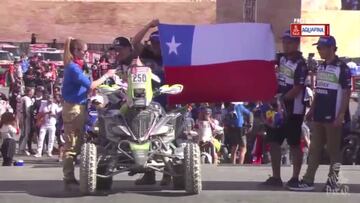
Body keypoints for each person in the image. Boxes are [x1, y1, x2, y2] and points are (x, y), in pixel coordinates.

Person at [289, 36, 352, 192]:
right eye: (318, 48)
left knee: (333, 151)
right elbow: (318, 90)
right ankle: (308, 180)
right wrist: (312, 109)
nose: (319, 51)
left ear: (331, 48)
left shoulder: (342, 68)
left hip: (334, 115)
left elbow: (347, 92)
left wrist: (341, 114)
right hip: (319, 114)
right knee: (315, 148)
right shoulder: (321, 67)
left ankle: (333, 181)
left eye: (321, 48)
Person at [61, 37, 115, 189]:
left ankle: (73, 177)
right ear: (76, 50)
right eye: (84, 51)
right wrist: (106, 75)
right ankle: (69, 178)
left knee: (80, 141)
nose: (85, 54)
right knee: (72, 145)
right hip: (74, 108)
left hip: (80, 106)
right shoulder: (73, 68)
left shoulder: (78, 66)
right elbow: (90, 84)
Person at [263, 30, 308, 188]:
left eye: (289, 42)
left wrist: (280, 99)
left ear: (296, 43)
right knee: (274, 142)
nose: (285, 45)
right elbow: (263, 58)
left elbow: (297, 88)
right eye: (284, 42)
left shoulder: (301, 64)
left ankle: (295, 177)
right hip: (276, 109)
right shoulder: (281, 58)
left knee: (294, 144)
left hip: (293, 110)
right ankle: (276, 177)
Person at [34, 93, 62, 157]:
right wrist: (46, 113)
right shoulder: (43, 105)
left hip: (52, 124)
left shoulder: (55, 105)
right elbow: (40, 113)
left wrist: (53, 114)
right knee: (41, 138)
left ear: (53, 99)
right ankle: (39, 152)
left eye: (51, 99)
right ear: (47, 99)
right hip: (44, 123)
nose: (50, 100)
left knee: (51, 138)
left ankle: (49, 151)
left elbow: (58, 114)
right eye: (49, 98)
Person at [18, 87, 35, 155]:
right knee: (25, 133)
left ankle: (21, 148)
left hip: (23, 117)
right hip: (25, 118)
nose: (33, 93)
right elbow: (27, 109)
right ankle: (21, 149)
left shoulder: (27, 98)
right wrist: (29, 118)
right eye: (32, 91)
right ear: (29, 92)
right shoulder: (26, 98)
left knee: (24, 133)